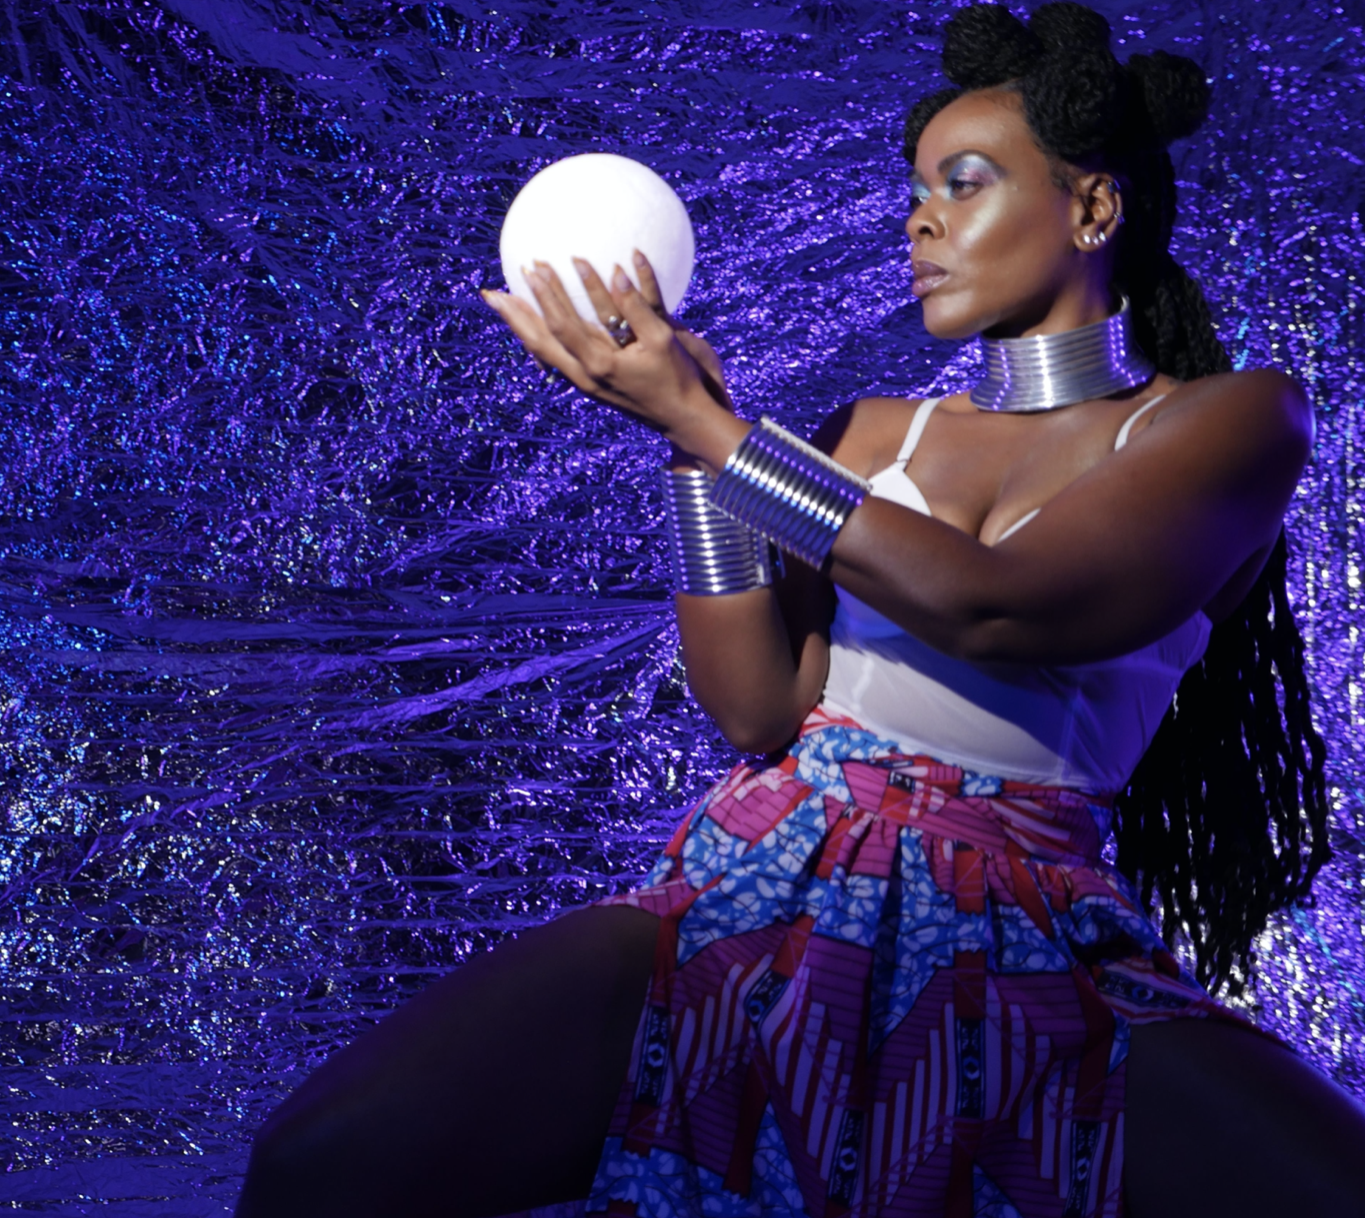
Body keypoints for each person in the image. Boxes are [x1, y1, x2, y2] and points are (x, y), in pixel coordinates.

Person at [236, 5, 1365, 1216]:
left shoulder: (1232, 420)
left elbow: (999, 608)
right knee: (318, 1165)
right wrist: (688, 447)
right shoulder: (873, 434)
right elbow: (756, 703)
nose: (920, 219)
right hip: (760, 880)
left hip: (1032, 921)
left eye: (964, 183)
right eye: (916, 190)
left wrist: (713, 431)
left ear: (1094, 208)